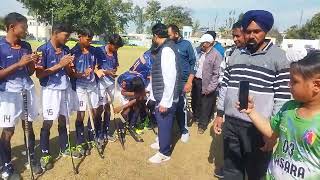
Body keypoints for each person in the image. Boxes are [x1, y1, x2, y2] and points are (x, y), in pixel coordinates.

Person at [213, 10, 292, 180]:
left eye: (257, 32)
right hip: (232, 124)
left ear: (266, 31)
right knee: (232, 170)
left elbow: (282, 98)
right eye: (248, 32)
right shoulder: (235, 54)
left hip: (258, 128)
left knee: (256, 173)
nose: (251, 36)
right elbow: (225, 85)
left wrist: (272, 132)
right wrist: (220, 113)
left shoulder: (279, 57)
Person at [239, 50, 320, 179]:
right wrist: (251, 111)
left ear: (316, 85)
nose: (289, 85)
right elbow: (271, 131)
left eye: (294, 81)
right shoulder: (288, 108)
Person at [0, 12, 42, 179]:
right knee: (8, 130)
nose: (26, 30)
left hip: (27, 90)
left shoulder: (26, 46)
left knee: (28, 126)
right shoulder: (0, 47)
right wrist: (18, 64)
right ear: (12, 27)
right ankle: (6, 165)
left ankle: (31, 158)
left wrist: (33, 63)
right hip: (8, 94)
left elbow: (30, 72)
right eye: (23, 27)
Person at [36, 23, 76, 170]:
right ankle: (45, 153)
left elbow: (70, 72)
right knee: (48, 121)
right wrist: (60, 65)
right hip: (50, 90)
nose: (67, 39)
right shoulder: (43, 50)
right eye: (66, 36)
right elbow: (39, 74)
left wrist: (69, 66)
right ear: (56, 33)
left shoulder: (66, 49)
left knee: (63, 119)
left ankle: (64, 147)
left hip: (65, 88)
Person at [212, 21, 246, 179]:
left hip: (251, 116)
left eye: (238, 35)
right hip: (231, 112)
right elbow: (224, 82)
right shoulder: (230, 53)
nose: (235, 39)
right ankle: (228, 170)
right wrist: (220, 112)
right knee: (231, 149)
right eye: (233, 36)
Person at [148, 23, 181, 164]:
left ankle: (164, 152)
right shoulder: (166, 47)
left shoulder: (166, 50)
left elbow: (170, 77)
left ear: (156, 36)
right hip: (161, 93)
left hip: (165, 96)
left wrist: (165, 101)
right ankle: (162, 142)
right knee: (162, 123)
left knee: (165, 122)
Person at [69, 28, 100, 157]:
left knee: (93, 113)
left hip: (92, 85)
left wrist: (96, 71)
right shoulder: (73, 52)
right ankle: (80, 141)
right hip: (80, 87)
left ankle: (91, 136)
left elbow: (96, 66)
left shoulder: (93, 50)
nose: (90, 42)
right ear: (80, 37)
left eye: (91, 39)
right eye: (88, 39)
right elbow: (71, 73)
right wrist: (82, 74)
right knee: (80, 115)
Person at [168, 24, 196, 143]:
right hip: (170, 81)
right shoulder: (169, 44)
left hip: (182, 81)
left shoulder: (187, 45)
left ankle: (184, 130)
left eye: (169, 35)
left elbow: (193, 63)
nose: (168, 37)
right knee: (169, 106)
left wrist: (189, 81)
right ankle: (167, 131)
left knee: (181, 106)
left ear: (176, 34)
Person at [191, 34, 223, 134]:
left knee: (206, 105)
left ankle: (202, 125)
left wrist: (210, 88)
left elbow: (216, 74)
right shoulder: (199, 52)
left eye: (203, 43)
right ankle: (196, 117)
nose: (202, 45)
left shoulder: (216, 55)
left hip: (208, 84)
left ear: (210, 43)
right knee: (196, 101)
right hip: (197, 81)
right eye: (201, 43)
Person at [95, 34, 124, 142]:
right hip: (101, 83)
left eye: (117, 48)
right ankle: (97, 133)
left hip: (111, 82)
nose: (116, 50)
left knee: (108, 107)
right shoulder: (99, 50)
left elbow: (115, 66)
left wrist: (113, 72)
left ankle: (106, 131)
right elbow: (95, 68)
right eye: (115, 47)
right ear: (110, 43)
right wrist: (106, 72)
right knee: (99, 108)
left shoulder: (115, 52)